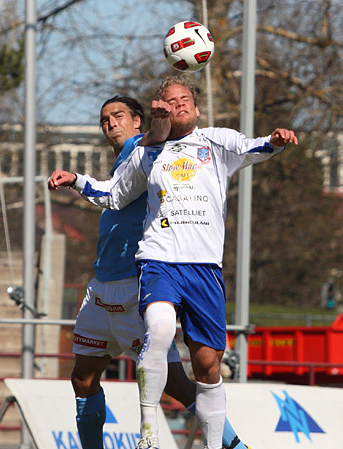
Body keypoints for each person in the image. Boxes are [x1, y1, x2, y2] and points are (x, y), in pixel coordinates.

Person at [50, 75, 298, 449]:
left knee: (201, 370)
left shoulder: (177, 141)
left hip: (190, 272)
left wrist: (276, 142)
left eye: (118, 115)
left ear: (141, 119)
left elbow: (253, 147)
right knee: (91, 372)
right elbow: (114, 193)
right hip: (141, 271)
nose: (110, 124)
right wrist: (78, 180)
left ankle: (228, 444)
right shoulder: (142, 154)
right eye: (104, 119)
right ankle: (148, 434)